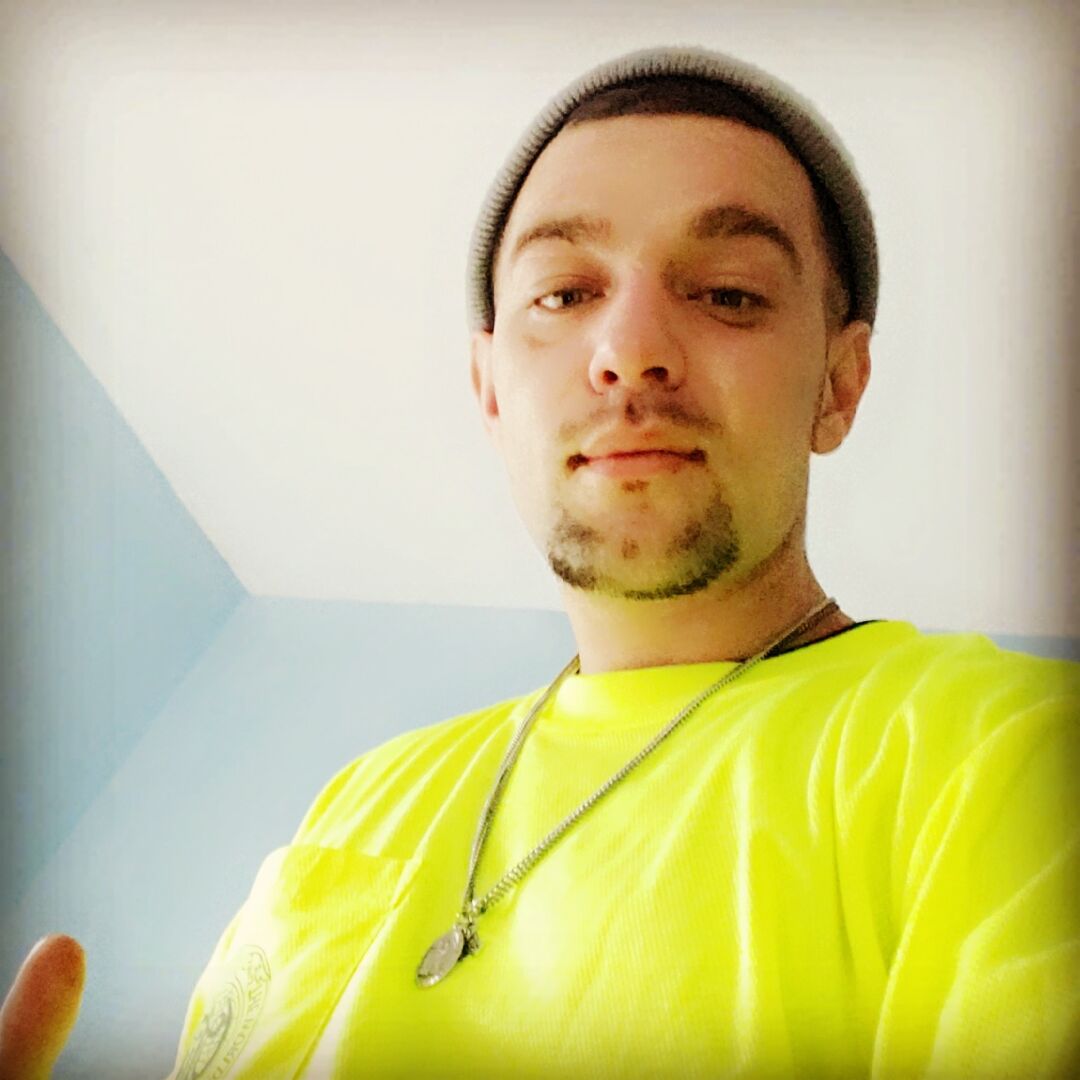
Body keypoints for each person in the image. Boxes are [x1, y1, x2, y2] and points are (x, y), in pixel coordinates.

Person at [2, 44, 1077, 1079]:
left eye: (729, 293)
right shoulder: (361, 798)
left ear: (839, 386)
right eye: (564, 293)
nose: (630, 350)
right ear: (489, 390)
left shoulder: (1016, 755)